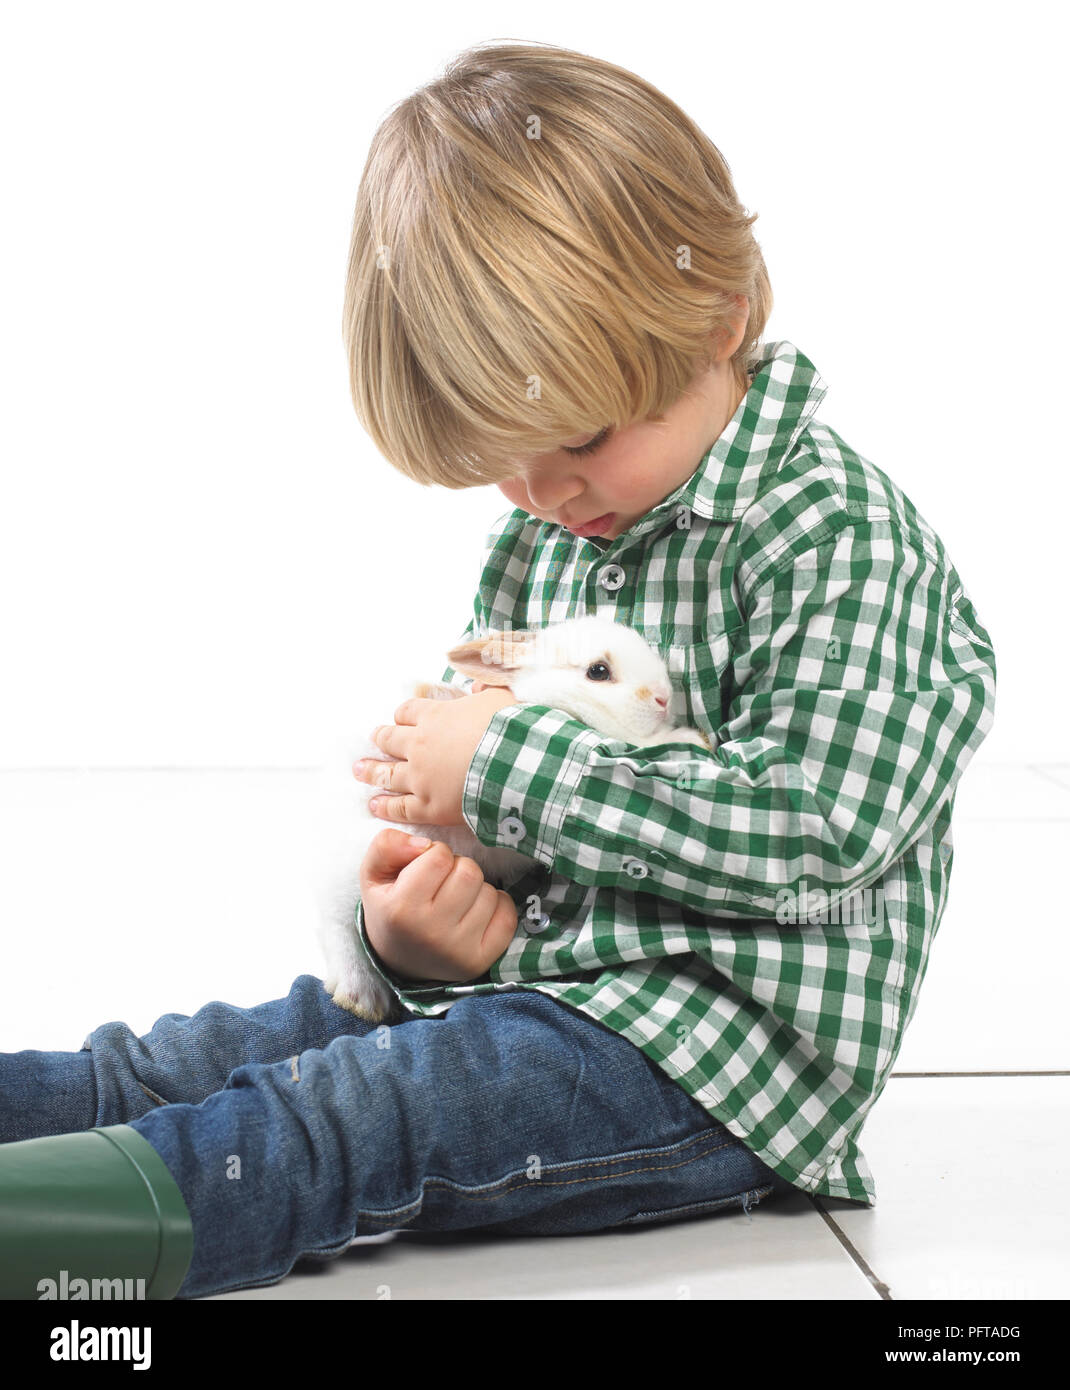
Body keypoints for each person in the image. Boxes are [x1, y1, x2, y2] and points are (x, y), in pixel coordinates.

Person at [0, 40, 996, 1300]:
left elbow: (815, 828)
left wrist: (508, 769)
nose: (536, 494)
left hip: (706, 1061)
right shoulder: (550, 531)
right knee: (211, 1054)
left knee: (351, 1116)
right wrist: (418, 929)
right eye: (500, 459)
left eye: (575, 439)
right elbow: (507, 841)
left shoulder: (841, 542)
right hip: (526, 997)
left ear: (720, 320)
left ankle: (49, 1254)